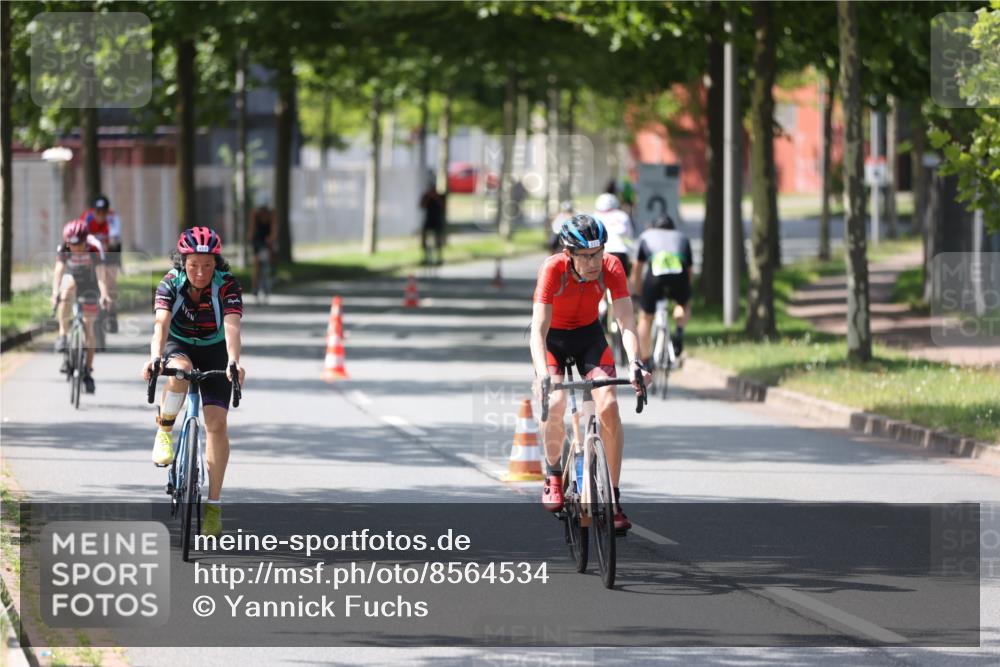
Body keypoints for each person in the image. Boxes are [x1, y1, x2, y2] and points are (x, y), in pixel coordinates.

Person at [530, 214, 651, 533]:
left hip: (589, 338)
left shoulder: (612, 266)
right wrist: (543, 375)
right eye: (585, 256)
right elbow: (538, 330)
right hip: (553, 341)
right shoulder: (552, 269)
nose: (594, 262)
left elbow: (625, 320)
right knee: (555, 403)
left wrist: (635, 362)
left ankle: (612, 498)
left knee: (608, 404)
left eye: (597, 254)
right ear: (568, 253)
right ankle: (553, 474)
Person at [142, 227, 246, 537]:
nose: (200, 272)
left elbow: (232, 326)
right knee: (179, 371)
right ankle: (165, 430)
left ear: (217, 263)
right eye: (193, 265)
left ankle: (213, 505)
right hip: (180, 343)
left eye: (207, 265)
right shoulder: (169, 283)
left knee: (217, 424)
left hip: (215, 348)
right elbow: (160, 324)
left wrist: (233, 361)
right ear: (182, 262)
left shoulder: (227, 284)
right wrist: (154, 357)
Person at [52, 220, 112, 393]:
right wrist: (55, 293)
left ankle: (88, 371)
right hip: (72, 277)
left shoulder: (94, 247)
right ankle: (63, 335)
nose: (76, 248)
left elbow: (101, 275)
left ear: (85, 240)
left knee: (88, 326)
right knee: (65, 292)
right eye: (72, 245)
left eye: (79, 244)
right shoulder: (64, 247)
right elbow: (58, 271)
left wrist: (104, 294)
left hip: (90, 282)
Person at [630, 214, 693, 364]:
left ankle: (645, 359)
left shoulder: (646, 236)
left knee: (645, 317)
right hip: (679, 276)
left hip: (655, 277)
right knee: (682, 305)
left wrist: (638, 290)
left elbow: (637, 268)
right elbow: (689, 270)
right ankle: (679, 331)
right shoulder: (682, 237)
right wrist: (685, 294)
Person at [81, 195, 121, 332]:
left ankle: (112, 314)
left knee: (111, 283)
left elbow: (114, 241)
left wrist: (106, 247)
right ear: (93, 211)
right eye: (97, 211)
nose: (100, 215)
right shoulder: (86, 218)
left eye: (103, 212)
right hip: (92, 253)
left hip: (110, 253)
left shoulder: (112, 218)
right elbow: (81, 239)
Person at [593, 193, 635, 277]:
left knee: (600, 281)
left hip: (601, 252)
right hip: (620, 252)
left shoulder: (594, 217)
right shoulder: (622, 215)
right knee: (622, 280)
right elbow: (630, 235)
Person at [247, 202, 277, 301]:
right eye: (261, 209)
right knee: (256, 264)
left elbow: (274, 230)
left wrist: (271, 238)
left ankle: (272, 272)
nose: (263, 212)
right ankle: (255, 287)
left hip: (268, 241)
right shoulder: (254, 214)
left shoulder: (272, 215)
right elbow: (252, 228)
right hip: (258, 240)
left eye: (264, 210)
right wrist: (250, 237)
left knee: (270, 256)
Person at [419, 182, 446, 266]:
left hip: (437, 220)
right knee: (424, 237)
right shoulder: (426, 196)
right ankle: (425, 257)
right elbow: (422, 206)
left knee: (438, 239)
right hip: (428, 220)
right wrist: (429, 197)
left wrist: (436, 197)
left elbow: (444, 207)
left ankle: (439, 258)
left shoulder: (441, 196)